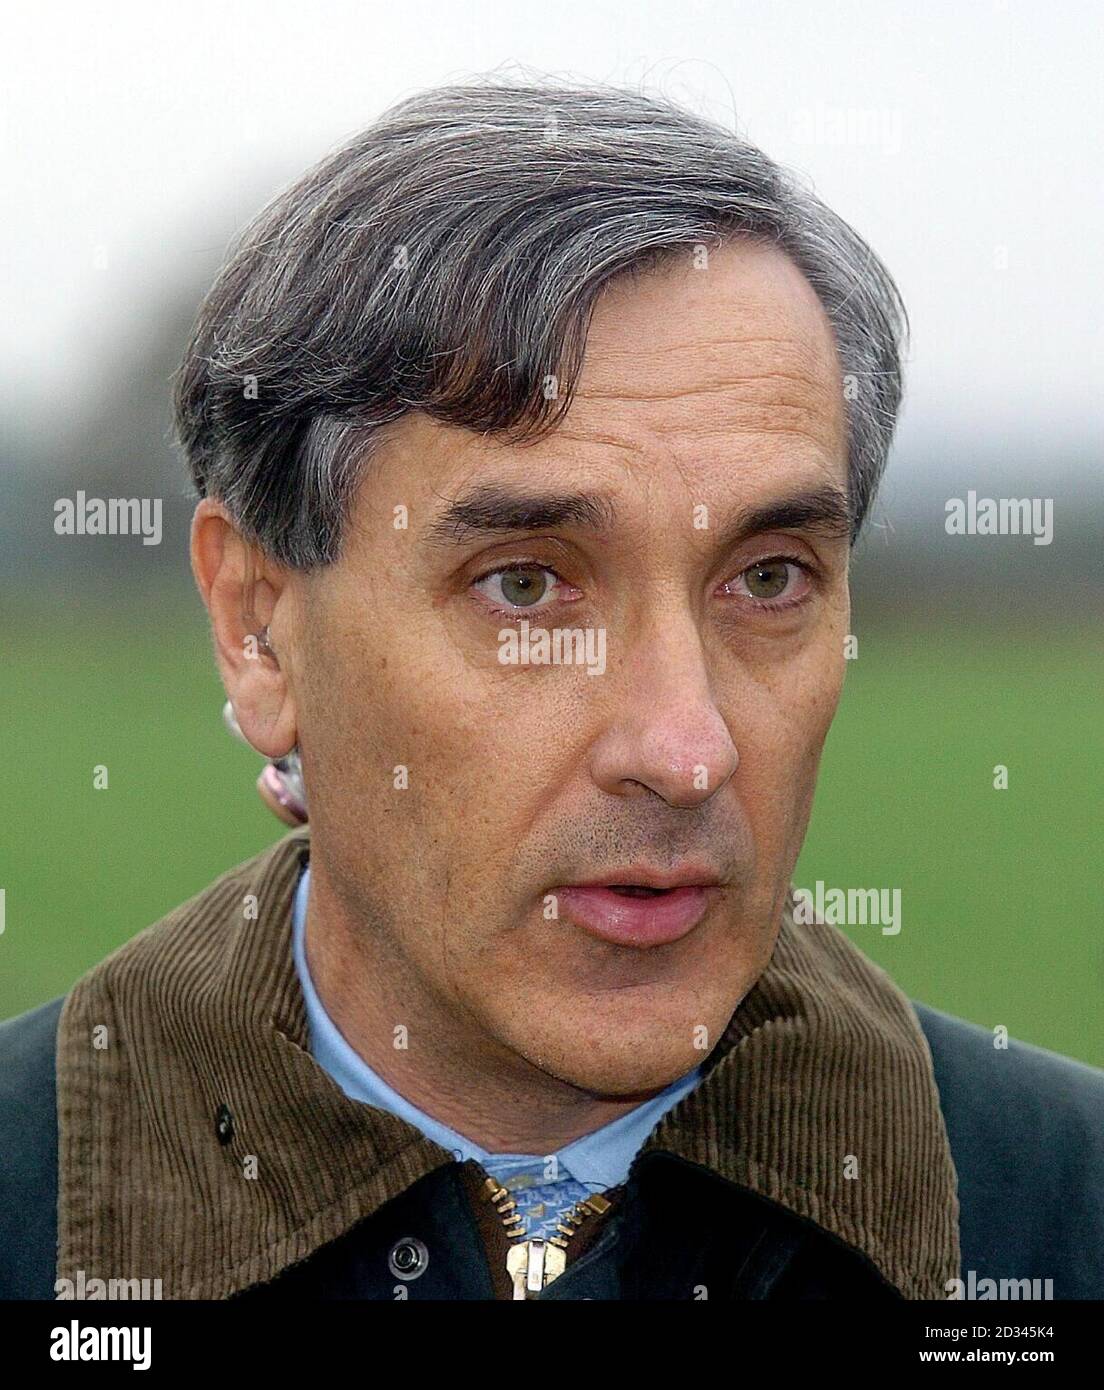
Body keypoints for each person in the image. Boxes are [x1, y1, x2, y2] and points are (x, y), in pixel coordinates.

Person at [2, 78, 1102, 1302]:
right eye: (525, 587)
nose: (687, 750)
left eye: (769, 577)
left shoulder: (1064, 1219)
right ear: (260, 628)